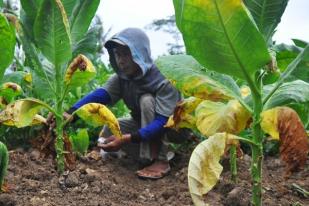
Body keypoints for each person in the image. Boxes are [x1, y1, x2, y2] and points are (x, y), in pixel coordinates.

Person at [68, 28, 187, 179]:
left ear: (140, 54)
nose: (121, 60)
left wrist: (128, 138)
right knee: (113, 127)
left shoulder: (164, 78)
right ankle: (141, 154)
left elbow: (163, 121)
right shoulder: (121, 78)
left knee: (146, 100)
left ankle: (160, 160)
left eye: (126, 54)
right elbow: (100, 97)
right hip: (143, 124)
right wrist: (71, 113)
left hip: (173, 128)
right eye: (118, 54)